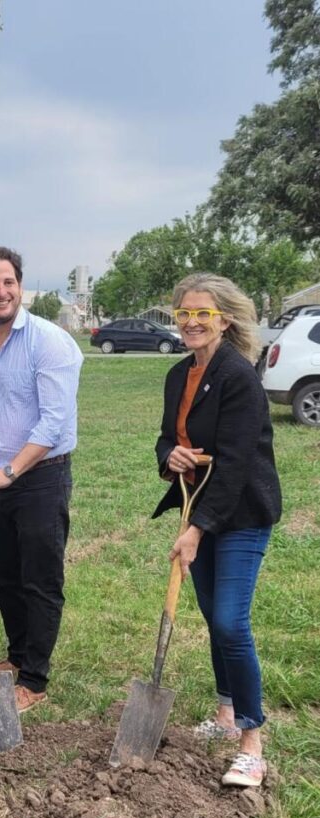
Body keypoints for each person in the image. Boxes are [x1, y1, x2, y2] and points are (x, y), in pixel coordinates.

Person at [154, 272, 281, 788]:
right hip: (199, 508)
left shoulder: (238, 377)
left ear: (224, 320)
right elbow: (166, 441)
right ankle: (227, 715)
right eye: (184, 312)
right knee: (212, 616)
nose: (190, 322)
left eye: (202, 314)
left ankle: (252, 742)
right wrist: (172, 457)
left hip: (241, 514)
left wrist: (197, 531)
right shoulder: (179, 374)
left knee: (230, 621)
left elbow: (233, 464)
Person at [0, 245, 84, 712]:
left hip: (39, 477)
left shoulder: (49, 342)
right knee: (4, 576)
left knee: (39, 578)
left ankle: (35, 677)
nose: (1, 291)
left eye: (8, 282)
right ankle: (15, 656)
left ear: (20, 287)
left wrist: (8, 472)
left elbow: (53, 423)